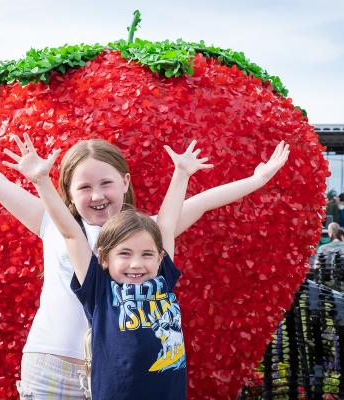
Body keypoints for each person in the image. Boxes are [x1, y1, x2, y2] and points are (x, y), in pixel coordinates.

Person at [0, 124, 289, 399]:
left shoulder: (147, 234)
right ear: (68, 191)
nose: (97, 194)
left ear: (125, 181)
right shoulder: (52, 222)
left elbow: (200, 203)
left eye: (106, 183)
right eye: (84, 187)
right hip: (50, 364)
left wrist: (258, 180)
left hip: (121, 377)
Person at [14, 136, 205, 399]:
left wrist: (183, 173)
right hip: (65, 370)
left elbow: (170, 222)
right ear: (103, 259)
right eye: (124, 254)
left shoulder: (160, 276)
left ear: (159, 256)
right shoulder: (100, 292)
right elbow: (70, 234)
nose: (136, 263)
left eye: (146, 254)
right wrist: (41, 182)